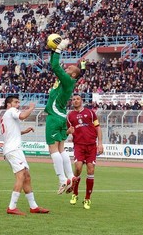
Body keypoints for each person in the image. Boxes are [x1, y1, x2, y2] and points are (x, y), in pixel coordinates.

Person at [1, 95, 49, 215]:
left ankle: (34, 206)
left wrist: (23, 131)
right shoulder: (11, 111)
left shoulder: (5, 116)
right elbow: (22, 116)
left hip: (13, 149)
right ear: (9, 104)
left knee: (26, 176)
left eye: (18, 102)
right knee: (21, 175)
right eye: (16, 102)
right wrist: (31, 107)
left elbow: (10, 133)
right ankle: (12, 207)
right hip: (13, 150)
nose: (18, 104)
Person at [45, 38, 81, 195]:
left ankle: (62, 180)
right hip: (61, 116)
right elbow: (55, 65)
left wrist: (58, 49)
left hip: (54, 115)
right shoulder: (65, 81)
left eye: (69, 68)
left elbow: (55, 66)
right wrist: (53, 51)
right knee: (60, 148)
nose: (66, 69)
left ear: (73, 74)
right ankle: (71, 177)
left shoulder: (67, 80)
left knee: (52, 148)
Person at [67, 94, 104, 209]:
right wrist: (69, 132)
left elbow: (98, 128)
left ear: (81, 101)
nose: (75, 101)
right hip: (79, 146)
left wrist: (100, 143)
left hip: (91, 146)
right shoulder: (70, 116)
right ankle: (75, 193)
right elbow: (68, 131)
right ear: (72, 102)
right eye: (73, 99)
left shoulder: (90, 113)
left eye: (77, 99)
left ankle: (87, 199)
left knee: (91, 170)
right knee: (78, 168)